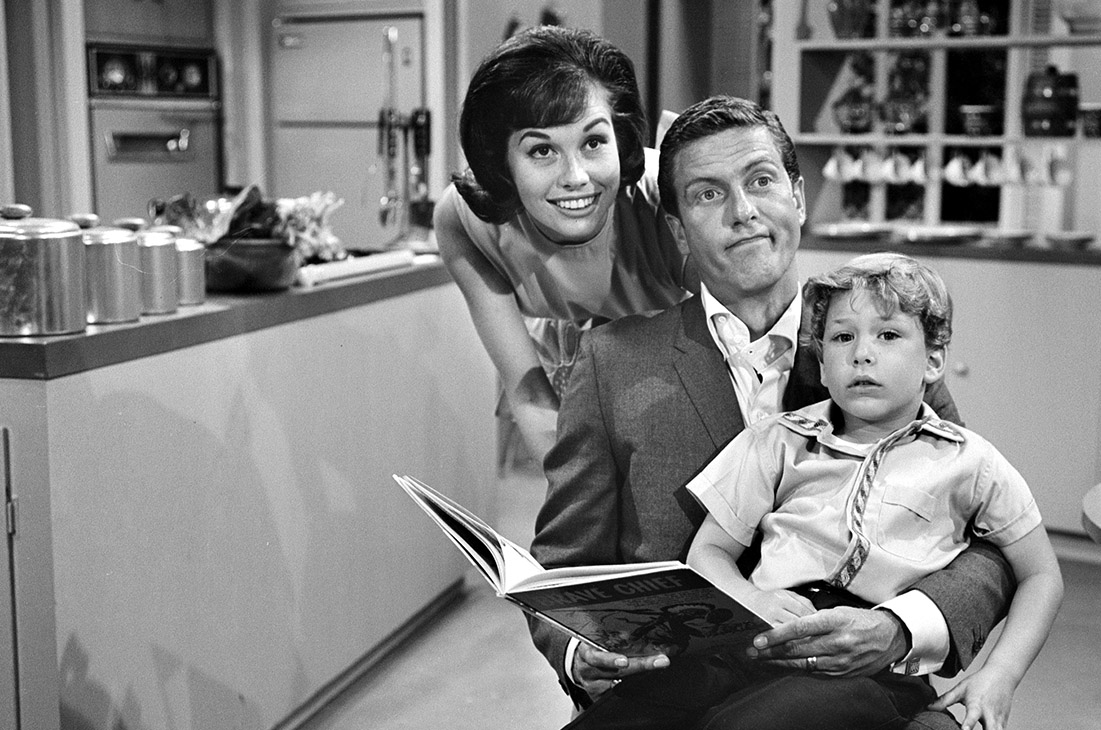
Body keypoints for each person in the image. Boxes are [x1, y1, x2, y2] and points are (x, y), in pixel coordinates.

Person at [530, 95, 1015, 730]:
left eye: (760, 181)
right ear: (678, 231)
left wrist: (898, 628)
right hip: (671, 684)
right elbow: (567, 565)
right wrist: (580, 650)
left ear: (798, 198)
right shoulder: (611, 361)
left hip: (845, 683)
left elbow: (989, 542)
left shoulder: (883, 351)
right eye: (708, 194)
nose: (743, 212)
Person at [567, 253, 1064, 730]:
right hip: (757, 635)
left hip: (869, 670)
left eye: (888, 335)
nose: (862, 353)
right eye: (843, 337)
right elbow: (709, 550)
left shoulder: (971, 461)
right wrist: (748, 598)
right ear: (823, 366)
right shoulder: (778, 441)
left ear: (933, 361)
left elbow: (1041, 575)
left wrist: (1000, 675)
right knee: (630, 710)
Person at [434, 26, 691, 464]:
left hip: (683, 389)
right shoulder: (466, 223)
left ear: (620, 137)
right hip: (563, 391)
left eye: (593, 142)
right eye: (541, 151)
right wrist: (577, 495)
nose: (575, 177)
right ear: (501, 163)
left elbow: (742, 362)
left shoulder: (669, 203)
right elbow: (529, 393)